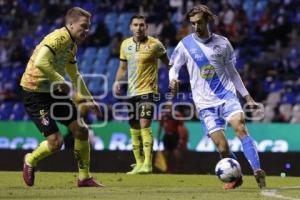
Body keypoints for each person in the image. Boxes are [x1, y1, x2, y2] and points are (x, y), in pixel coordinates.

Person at [169, 5, 266, 189]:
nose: (196, 27)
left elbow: (233, 73)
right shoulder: (185, 45)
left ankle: (257, 170)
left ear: (208, 20)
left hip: (226, 95)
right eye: (192, 24)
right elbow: (174, 66)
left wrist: (247, 97)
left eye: (199, 22)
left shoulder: (223, 43)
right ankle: (236, 177)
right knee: (222, 148)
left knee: (241, 128)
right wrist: (173, 79)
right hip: (204, 104)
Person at [20, 7, 103, 187]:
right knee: (56, 142)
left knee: (81, 130)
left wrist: (90, 99)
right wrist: (60, 81)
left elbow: (75, 74)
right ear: (71, 24)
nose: (87, 31)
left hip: (53, 91)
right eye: (83, 26)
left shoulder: (71, 45)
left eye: (88, 27)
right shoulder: (58, 38)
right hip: (35, 93)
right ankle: (30, 160)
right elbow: (41, 62)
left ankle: (84, 178)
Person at [113, 14, 169, 174]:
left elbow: (168, 63)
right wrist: (117, 81)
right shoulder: (125, 45)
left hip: (148, 91)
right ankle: (138, 163)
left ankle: (148, 164)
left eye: (142, 25)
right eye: (135, 25)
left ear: (146, 27)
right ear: (130, 27)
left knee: (145, 124)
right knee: (134, 127)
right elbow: (122, 67)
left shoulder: (155, 45)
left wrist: (173, 79)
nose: (138, 28)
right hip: (131, 93)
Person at [157, 109, 188, 173]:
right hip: (167, 136)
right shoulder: (163, 116)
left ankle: (179, 169)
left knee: (176, 153)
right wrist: (158, 137)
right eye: (167, 107)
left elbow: (180, 126)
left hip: (174, 136)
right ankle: (167, 170)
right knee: (166, 154)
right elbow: (160, 127)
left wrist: (181, 138)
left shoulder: (176, 115)